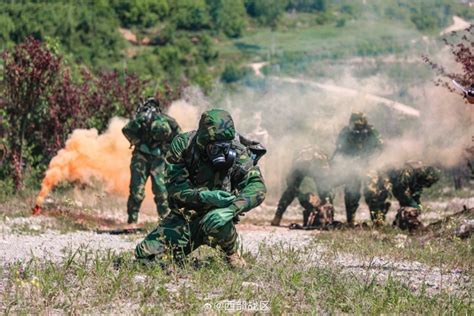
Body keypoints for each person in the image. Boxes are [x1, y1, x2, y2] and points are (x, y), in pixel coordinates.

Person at [135, 109, 266, 268]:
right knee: (145, 257)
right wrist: (205, 196)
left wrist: (231, 209)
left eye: (224, 145)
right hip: (184, 216)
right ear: (203, 140)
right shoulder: (183, 145)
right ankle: (179, 252)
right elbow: (174, 187)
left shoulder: (237, 151)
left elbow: (257, 186)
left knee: (218, 224)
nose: (221, 150)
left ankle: (231, 252)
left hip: (218, 218)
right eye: (214, 146)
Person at [122, 98, 181, 224]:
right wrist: (137, 142)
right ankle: (132, 220)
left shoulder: (169, 121)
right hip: (140, 157)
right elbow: (126, 130)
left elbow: (179, 137)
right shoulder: (141, 120)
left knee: (161, 191)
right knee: (136, 191)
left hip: (159, 159)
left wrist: (167, 149)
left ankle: (164, 222)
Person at [332, 112, 385, 225]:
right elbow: (339, 149)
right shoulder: (345, 132)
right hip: (352, 165)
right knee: (351, 193)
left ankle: (377, 221)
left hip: (368, 165)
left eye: (359, 124)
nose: (356, 127)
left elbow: (380, 147)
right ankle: (350, 221)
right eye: (354, 124)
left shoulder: (371, 131)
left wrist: (370, 158)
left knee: (372, 192)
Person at [271, 146, 334, 227]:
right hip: (303, 166)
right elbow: (291, 184)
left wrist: (325, 202)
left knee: (326, 192)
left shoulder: (323, 166)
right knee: (291, 191)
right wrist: (304, 197)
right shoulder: (300, 165)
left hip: (317, 165)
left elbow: (328, 188)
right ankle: (277, 217)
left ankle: (329, 218)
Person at [388, 161, 440, 230]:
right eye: (429, 181)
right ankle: (411, 227)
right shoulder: (408, 171)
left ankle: (400, 225)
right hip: (399, 188)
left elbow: (417, 192)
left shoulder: (421, 177)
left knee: (413, 208)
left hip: (404, 189)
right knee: (411, 208)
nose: (428, 184)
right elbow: (401, 188)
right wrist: (412, 203)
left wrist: (418, 204)